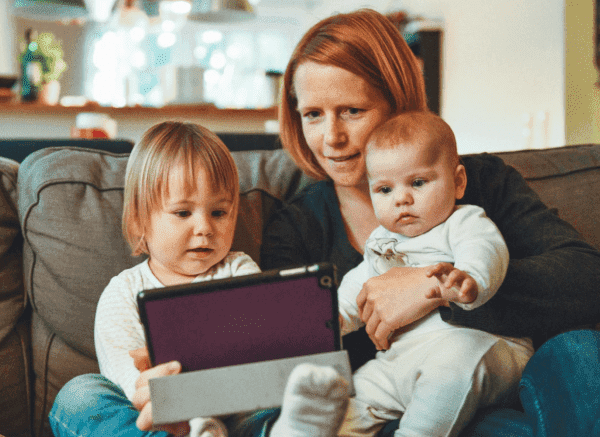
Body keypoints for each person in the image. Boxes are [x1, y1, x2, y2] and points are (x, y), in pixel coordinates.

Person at [257, 7, 600, 437]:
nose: (332, 138)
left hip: (503, 383)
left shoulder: (480, 183)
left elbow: (587, 278)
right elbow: (291, 351)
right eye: (313, 115)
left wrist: (434, 288)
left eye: (352, 111)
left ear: (396, 104)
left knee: (582, 350)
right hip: (388, 408)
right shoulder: (295, 227)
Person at [49, 121, 352, 437]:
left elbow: (262, 353)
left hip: (236, 412)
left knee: (288, 392)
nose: (205, 228)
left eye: (219, 213)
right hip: (160, 420)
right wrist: (168, 399)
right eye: (183, 213)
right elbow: (127, 381)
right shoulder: (123, 292)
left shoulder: (238, 270)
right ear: (139, 220)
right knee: (81, 394)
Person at [336, 111, 533, 437]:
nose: (402, 198)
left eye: (417, 183)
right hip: (399, 362)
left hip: (478, 348)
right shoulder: (380, 242)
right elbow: (360, 285)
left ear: (458, 182)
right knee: (345, 404)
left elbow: (485, 250)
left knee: (450, 368)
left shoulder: (463, 221)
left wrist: (468, 280)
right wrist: (334, 317)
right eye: (384, 190)